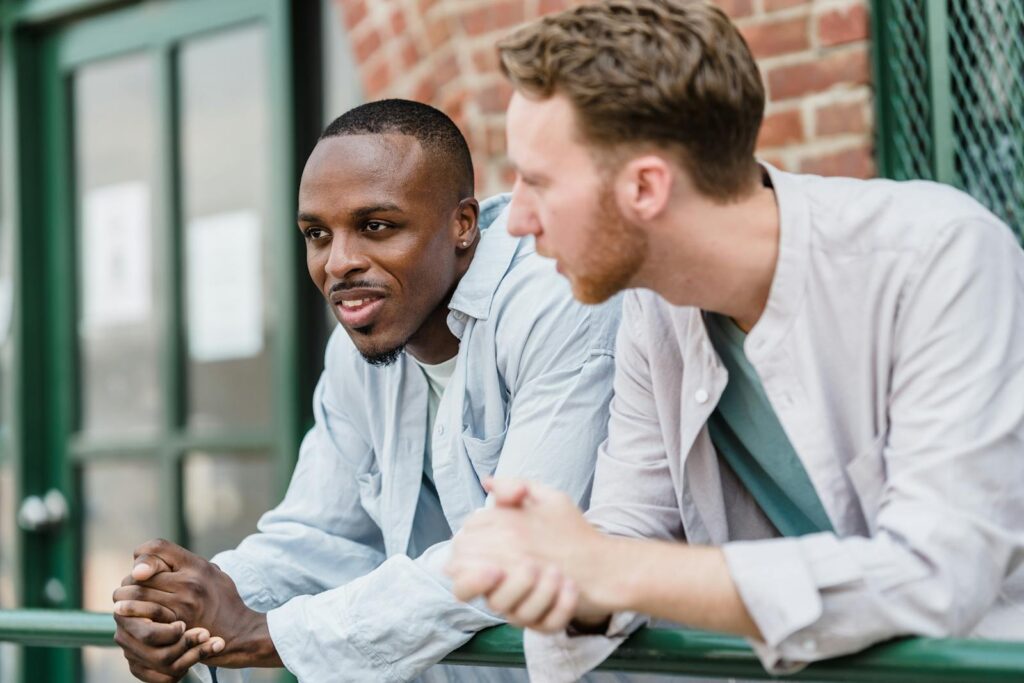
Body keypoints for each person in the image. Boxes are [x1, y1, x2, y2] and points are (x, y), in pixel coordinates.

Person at [446, 1, 1024, 680]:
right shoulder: (652, 309)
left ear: (645, 187)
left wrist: (608, 567)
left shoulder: (939, 256)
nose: (514, 220)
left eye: (537, 181)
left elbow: (936, 576)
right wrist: (557, 582)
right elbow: (625, 538)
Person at [110, 99, 623, 683]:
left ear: (463, 224)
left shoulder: (557, 303)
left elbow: (520, 552)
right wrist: (191, 607)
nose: (340, 263)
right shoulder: (359, 340)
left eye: (376, 226)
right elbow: (319, 536)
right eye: (316, 234)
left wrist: (268, 633)